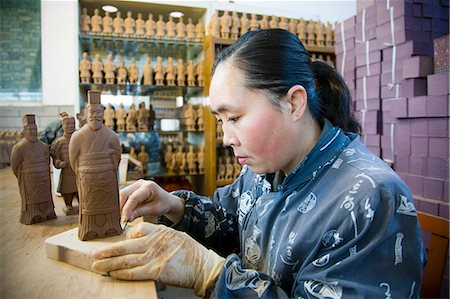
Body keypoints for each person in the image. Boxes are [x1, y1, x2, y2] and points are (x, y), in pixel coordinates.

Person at [92, 29, 426, 298]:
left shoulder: (372, 198)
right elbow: (233, 223)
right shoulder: (266, 165)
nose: (226, 137)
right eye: (221, 120)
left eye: (235, 117)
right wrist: (174, 206)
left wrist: (209, 273)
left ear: (294, 103)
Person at [69, 90, 122, 241]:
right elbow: (73, 161)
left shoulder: (112, 136)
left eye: (99, 112)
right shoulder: (77, 136)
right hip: (87, 179)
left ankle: (111, 227)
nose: (96, 115)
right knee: (89, 207)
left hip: (107, 178)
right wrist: (84, 172)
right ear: (85, 114)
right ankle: (89, 229)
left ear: (103, 114)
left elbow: (116, 158)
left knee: (110, 206)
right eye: (92, 112)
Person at [11, 114, 57, 224]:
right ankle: (31, 215)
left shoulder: (44, 146)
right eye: (30, 130)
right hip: (28, 179)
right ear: (24, 131)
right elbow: (15, 166)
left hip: (43, 177)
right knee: (31, 198)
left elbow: (47, 162)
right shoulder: (19, 148)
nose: (32, 132)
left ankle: (47, 213)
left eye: (34, 129)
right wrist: (24, 176)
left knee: (45, 195)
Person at [50, 113, 78, 215]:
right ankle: (68, 205)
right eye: (67, 124)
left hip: (78, 171)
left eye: (72, 123)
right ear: (63, 125)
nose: (70, 126)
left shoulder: (79, 139)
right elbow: (55, 158)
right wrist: (59, 163)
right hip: (66, 172)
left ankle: (81, 204)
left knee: (80, 189)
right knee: (67, 191)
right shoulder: (59, 142)